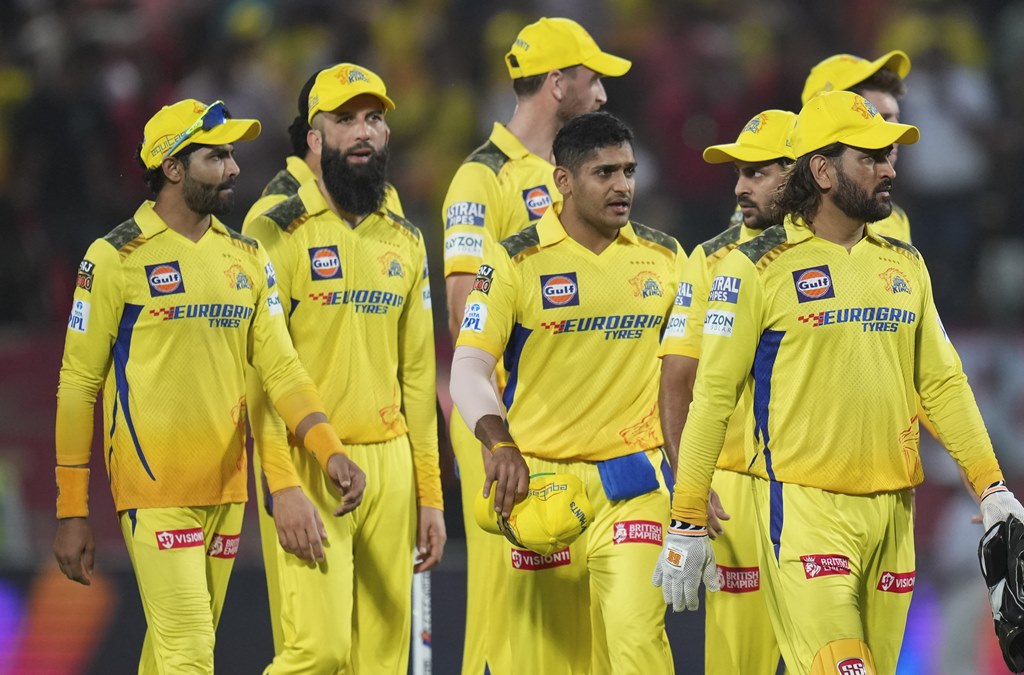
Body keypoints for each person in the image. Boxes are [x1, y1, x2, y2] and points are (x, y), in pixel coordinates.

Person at [653, 90, 1024, 675]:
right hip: (806, 515)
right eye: (871, 158)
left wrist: (992, 488)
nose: (889, 169)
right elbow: (712, 398)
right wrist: (685, 517)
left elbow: (942, 384)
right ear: (824, 171)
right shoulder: (753, 268)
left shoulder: (906, 264)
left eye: (888, 156)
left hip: (894, 518)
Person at [52, 99, 365, 675]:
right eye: (216, 157)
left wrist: (329, 450)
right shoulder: (115, 257)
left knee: (170, 655)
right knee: (191, 655)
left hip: (226, 492)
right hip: (155, 492)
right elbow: (77, 384)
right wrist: (72, 509)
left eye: (232, 155)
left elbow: (282, 368)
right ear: (173, 168)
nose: (234, 168)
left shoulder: (246, 256)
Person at [450, 111, 682, 675]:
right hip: (541, 486)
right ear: (563, 181)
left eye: (628, 171)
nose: (622, 186)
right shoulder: (511, 260)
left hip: (635, 483)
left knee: (636, 640)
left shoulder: (666, 258)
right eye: (604, 173)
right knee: (547, 662)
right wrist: (499, 443)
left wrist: (694, 479)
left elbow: (688, 380)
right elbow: (468, 369)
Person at [440, 16, 629, 675]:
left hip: (571, 416)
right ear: (557, 83)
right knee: (507, 598)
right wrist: (498, 430)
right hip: (505, 417)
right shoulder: (482, 179)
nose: (602, 94)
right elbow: (464, 313)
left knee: (579, 605)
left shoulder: (576, 172)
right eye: (592, 79)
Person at [242, 63, 445, 674]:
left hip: (392, 464)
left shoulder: (403, 235)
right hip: (310, 462)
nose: (363, 132)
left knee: (381, 664)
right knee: (318, 651)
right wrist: (282, 486)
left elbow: (418, 376)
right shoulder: (274, 227)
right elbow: (260, 374)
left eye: (374, 119)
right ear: (314, 137)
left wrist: (430, 495)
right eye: (345, 120)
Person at [658, 109, 795, 674]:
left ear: (801, 173)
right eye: (739, 173)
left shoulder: (841, 256)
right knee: (738, 663)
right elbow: (678, 378)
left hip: (819, 488)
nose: (740, 186)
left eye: (757, 172)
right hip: (736, 488)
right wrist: (687, 487)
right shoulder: (710, 260)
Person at [802, 50, 914, 244]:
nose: (896, 135)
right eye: (881, 119)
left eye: (897, 118)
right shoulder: (772, 217)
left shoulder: (895, 220)